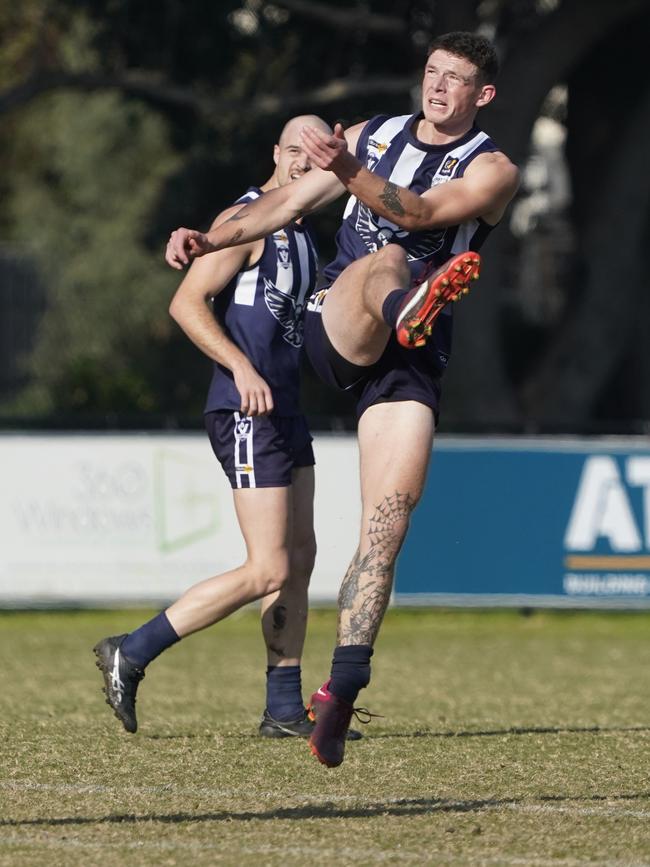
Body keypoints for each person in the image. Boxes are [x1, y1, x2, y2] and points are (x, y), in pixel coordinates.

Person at [166, 32, 520, 766]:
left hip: (412, 358)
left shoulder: (493, 168)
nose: (439, 87)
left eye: (457, 80)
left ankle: (342, 690)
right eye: (433, 73)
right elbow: (283, 202)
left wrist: (349, 168)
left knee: (388, 522)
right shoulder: (371, 136)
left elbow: (424, 210)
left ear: (483, 95)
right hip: (344, 320)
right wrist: (210, 238)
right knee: (386, 257)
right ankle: (404, 304)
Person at [94, 114, 361, 743]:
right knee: (266, 568)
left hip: (285, 411)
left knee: (300, 559)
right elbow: (185, 302)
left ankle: (284, 708)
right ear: (275, 152)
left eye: (314, 153)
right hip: (246, 409)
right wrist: (241, 366)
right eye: (293, 149)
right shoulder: (247, 220)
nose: (302, 161)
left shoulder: (299, 231)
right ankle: (129, 652)